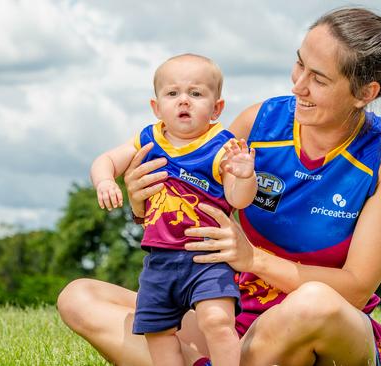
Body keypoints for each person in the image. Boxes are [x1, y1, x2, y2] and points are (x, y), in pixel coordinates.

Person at [58, 7, 381, 366]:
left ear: (366, 94)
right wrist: (142, 204)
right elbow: (193, 201)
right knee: (80, 297)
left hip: (321, 331)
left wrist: (253, 259)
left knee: (315, 304)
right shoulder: (258, 123)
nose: (298, 85)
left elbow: (356, 290)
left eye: (319, 79)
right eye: (299, 64)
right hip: (235, 314)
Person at [89, 53, 257, 366]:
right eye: (172, 93)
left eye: (195, 94)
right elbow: (106, 161)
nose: (184, 101)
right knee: (158, 332)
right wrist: (105, 182)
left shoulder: (221, 145)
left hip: (208, 257)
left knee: (218, 321)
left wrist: (246, 176)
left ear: (216, 108)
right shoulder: (148, 139)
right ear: (156, 107)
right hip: (160, 261)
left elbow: (238, 199)